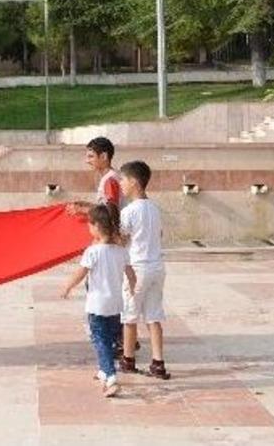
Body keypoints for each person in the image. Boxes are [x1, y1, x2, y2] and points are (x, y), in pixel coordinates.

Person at [60, 203, 136, 398]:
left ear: (95, 227)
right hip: (116, 305)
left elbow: (80, 273)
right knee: (109, 339)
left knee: (99, 339)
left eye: (89, 224)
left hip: (97, 306)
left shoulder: (92, 252)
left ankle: (110, 376)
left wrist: (68, 286)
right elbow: (131, 273)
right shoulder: (121, 252)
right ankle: (104, 370)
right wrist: (133, 288)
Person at [117, 160, 170, 380]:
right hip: (157, 267)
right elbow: (159, 235)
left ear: (134, 182)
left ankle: (128, 360)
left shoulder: (129, 211)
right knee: (153, 316)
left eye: (123, 180)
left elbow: (122, 239)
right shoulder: (155, 208)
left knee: (129, 317)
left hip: (137, 269)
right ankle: (158, 363)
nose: (120, 184)